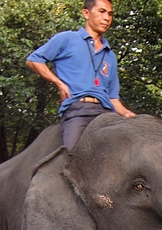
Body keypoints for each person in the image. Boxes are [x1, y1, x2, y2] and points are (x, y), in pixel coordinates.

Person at [26, 0, 135, 149]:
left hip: (106, 114)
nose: (107, 18)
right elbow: (33, 60)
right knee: (74, 158)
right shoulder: (67, 39)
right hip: (78, 110)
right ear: (86, 13)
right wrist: (59, 83)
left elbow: (113, 98)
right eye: (102, 12)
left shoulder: (110, 56)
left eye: (110, 14)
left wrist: (129, 114)